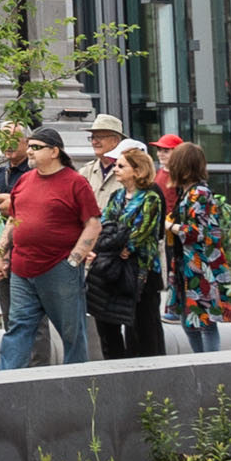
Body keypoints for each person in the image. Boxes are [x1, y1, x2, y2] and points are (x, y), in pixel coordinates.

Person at [0, 134, 102, 368]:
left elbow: (93, 225)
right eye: (29, 146)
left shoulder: (75, 182)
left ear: (55, 152)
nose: (30, 151)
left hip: (59, 269)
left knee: (71, 333)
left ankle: (77, 387)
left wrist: (73, 261)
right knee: (17, 328)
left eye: (36, 147)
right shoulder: (24, 180)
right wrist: (0, 252)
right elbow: (13, 219)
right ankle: (5, 384)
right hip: (22, 270)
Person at [88, 142, 167, 361]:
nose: (115, 169)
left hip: (141, 271)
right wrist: (114, 245)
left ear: (138, 170)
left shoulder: (151, 197)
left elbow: (141, 232)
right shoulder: (117, 196)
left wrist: (124, 245)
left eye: (121, 166)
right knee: (108, 324)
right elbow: (105, 227)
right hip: (114, 269)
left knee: (144, 327)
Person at [161, 142, 231, 356]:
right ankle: (201, 363)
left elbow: (196, 232)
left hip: (202, 266)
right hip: (188, 266)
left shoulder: (198, 193)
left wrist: (170, 226)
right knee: (188, 321)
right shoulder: (187, 192)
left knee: (205, 323)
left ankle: (209, 368)